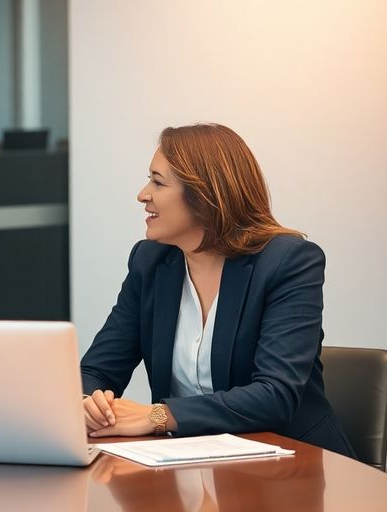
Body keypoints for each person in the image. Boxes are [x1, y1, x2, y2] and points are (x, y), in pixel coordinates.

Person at [79, 123, 355, 456]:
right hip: (187, 467)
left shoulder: (288, 262)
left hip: (289, 467)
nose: (143, 194)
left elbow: (275, 395)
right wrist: (90, 404)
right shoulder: (150, 262)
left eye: (158, 181)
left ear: (204, 195)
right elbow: (96, 370)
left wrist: (157, 416)